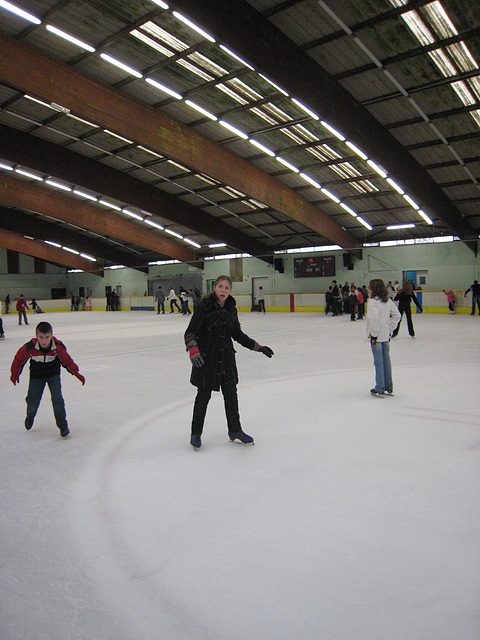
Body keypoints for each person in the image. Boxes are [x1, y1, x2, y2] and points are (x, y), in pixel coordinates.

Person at [184, 275, 274, 449]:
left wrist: (258, 347)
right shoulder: (204, 307)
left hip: (226, 359)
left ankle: (235, 430)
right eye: (220, 286)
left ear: (230, 290)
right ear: (214, 288)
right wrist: (193, 349)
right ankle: (196, 434)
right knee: (203, 397)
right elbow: (190, 332)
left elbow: (237, 334)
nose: (223, 290)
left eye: (226, 288)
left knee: (231, 396)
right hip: (206, 360)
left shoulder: (231, 308)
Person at [10, 321, 85, 437]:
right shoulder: (30, 347)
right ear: (36, 336)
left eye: (47, 337)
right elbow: (18, 359)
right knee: (33, 400)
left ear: (51, 336)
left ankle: (63, 426)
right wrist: (15, 374)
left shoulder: (58, 347)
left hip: (53, 375)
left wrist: (76, 373)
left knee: (57, 399)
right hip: (36, 376)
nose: (44, 341)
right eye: (41, 337)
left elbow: (67, 361)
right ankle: (30, 415)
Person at [366, 279, 401, 397]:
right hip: (385, 336)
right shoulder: (387, 301)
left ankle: (380, 386)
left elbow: (374, 318)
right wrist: (390, 330)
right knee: (386, 361)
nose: (368, 289)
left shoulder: (372, 302)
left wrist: (374, 334)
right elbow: (397, 316)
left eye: (369, 287)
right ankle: (388, 386)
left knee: (379, 362)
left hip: (377, 337)